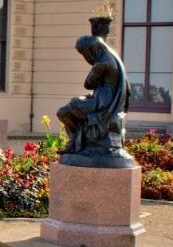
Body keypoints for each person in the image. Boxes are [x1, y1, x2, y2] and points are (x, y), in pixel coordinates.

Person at [57, 34, 135, 168]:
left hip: (102, 103)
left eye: (83, 53)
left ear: (90, 50)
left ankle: (74, 142)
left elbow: (88, 83)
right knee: (73, 105)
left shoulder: (102, 63)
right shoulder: (112, 57)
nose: (85, 57)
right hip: (104, 99)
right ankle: (76, 141)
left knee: (63, 112)